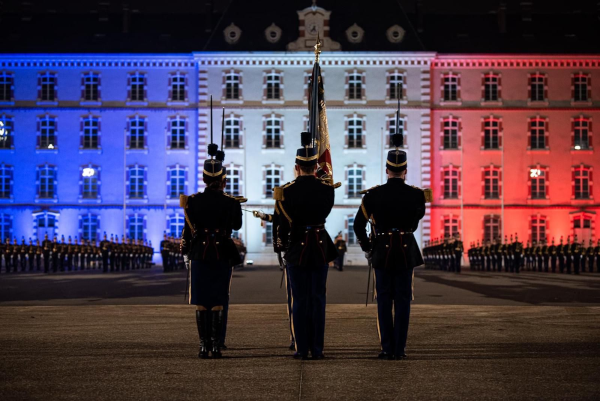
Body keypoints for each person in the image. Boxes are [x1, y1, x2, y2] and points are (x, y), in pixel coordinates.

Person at [354, 133, 427, 360]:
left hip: (382, 250)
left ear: (387, 170)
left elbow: (358, 225)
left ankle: (386, 347)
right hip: (405, 249)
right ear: (405, 171)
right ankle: (400, 349)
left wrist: (368, 247)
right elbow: (415, 223)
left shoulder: (373, 195)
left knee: (384, 300)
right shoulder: (416, 195)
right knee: (404, 299)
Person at [273, 132, 337, 360]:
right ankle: (317, 349)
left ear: (297, 167)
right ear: (315, 166)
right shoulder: (328, 190)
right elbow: (325, 213)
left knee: (299, 300)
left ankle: (301, 348)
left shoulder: (285, 192)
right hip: (319, 247)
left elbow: (280, 224)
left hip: (296, 250)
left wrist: (280, 248)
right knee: (318, 299)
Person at [181, 143, 243, 359]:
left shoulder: (193, 201)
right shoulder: (231, 202)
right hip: (222, 253)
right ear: (223, 181)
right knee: (217, 299)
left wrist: (186, 248)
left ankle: (202, 345)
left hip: (199, 253)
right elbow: (236, 226)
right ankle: (216, 346)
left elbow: (188, 229)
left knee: (200, 299)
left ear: (205, 179)